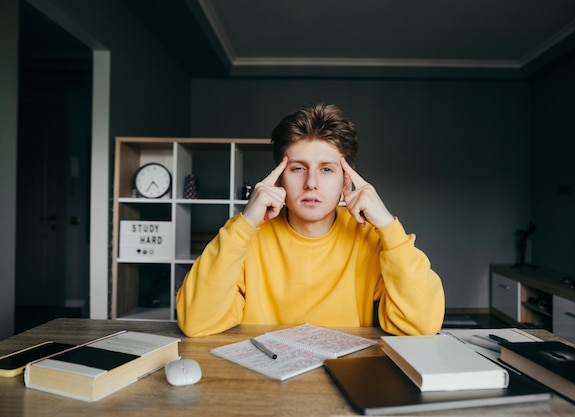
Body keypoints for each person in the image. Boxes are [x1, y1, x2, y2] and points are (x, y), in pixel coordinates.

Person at [176, 103, 445, 337]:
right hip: (261, 382)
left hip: (342, 378)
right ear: (280, 178)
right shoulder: (246, 234)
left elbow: (421, 325)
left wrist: (388, 226)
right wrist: (244, 223)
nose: (311, 184)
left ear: (345, 180)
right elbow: (196, 322)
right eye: (298, 169)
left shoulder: (370, 236)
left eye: (326, 169)